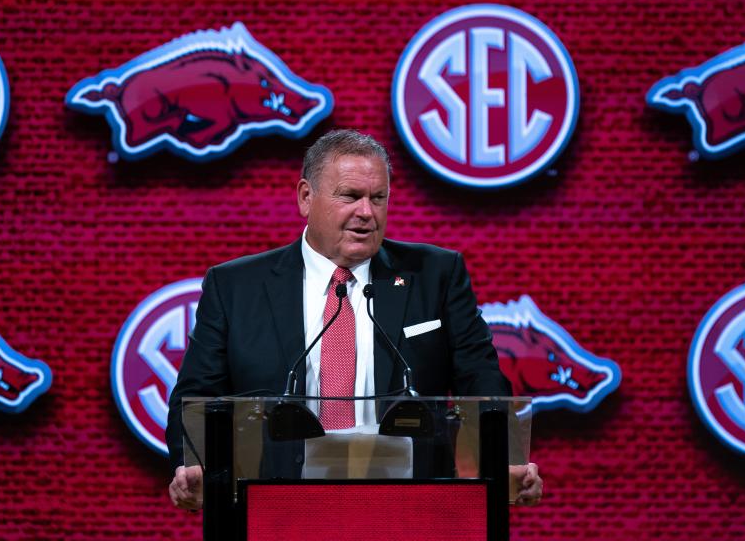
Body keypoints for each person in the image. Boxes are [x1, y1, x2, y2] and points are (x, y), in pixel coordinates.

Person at [166, 129, 543, 511]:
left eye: (378, 198)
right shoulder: (235, 286)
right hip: (275, 507)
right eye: (350, 196)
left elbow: (482, 380)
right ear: (305, 198)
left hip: (410, 509)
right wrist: (192, 466)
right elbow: (197, 397)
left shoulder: (436, 275)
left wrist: (506, 459)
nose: (366, 212)